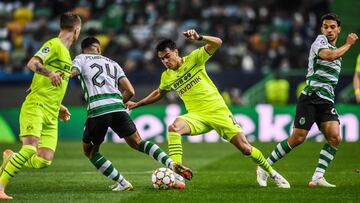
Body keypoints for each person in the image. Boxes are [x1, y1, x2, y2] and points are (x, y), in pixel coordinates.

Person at [127, 29, 290, 188]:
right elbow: (159, 93)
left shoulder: (194, 59)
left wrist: (199, 37)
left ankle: (269, 171)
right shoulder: (167, 76)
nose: (165, 62)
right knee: (174, 128)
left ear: (176, 52)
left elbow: (218, 43)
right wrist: (138, 103)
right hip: (196, 116)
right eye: (162, 59)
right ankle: (176, 174)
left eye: (167, 56)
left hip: (218, 111)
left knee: (246, 149)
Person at [71, 37, 192, 191]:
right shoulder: (113, 63)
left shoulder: (80, 58)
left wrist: (59, 76)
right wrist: (118, 103)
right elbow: (131, 91)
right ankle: (170, 163)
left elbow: (73, 73)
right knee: (138, 142)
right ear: (99, 49)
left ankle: (123, 183)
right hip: (118, 108)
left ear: (83, 50)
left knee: (90, 152)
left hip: (98, 110)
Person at [257, 13, 358, 187]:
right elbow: (329, 56)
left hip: (326, 100)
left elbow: (334, 57)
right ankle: (264, 167)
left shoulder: (337, 50)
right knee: (297, 138)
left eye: (333, 27)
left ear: (339, 29)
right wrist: (348, 44)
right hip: (311, 97)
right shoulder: (320, 42)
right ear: (321, 29)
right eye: (326, 27)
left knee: (335, 138)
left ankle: (318, 177)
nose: (329, 30)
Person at [0, 12, 82, 199]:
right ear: (77, 30)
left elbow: (53, 87)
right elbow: (32, 63)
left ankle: (12, 158)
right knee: (29, 149)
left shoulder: (67, 56)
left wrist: (59, 106)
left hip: (51, 112)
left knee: (44, 159)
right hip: (36, 106)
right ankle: (0, 188)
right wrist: (50, 73)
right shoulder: (53, 45)